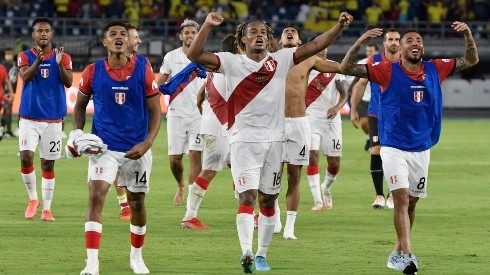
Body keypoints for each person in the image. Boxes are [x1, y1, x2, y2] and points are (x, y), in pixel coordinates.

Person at [187, 11, 353, 273]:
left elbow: (315, 46)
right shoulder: (231, 62)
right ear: (243, 39)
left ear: (269, 39)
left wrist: (338, 27)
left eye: (263, 32)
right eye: (253, 32)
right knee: (247, 196)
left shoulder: (282, 60)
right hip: (243, 142)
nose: (259, 36)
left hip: (275, 142)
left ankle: (262, 255)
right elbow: (194, 55)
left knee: (267, 200)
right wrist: (207, 25)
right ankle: (247, 252)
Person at [340, 23, 478, 274]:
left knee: (412, 203)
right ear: (400, 48)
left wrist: (468, 34)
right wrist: (359, 41)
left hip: (422, 147)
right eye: (410, 41)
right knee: (401, 199)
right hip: (393, 146)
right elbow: (347, 67)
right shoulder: (385, 70)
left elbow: (471, 59)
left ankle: (397, 251)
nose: (415, 44)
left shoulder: (436, 68)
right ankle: (408, 254)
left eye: (419, 41)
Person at [74, 20, 161, 275]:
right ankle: (91, 262)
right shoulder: (92, 71)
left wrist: (147, 143)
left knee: (137, 203)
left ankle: (136, 257)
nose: (119, 37)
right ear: (105, 42)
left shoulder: (143, 68)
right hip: (104, 147)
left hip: (136, 148)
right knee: (95, 195)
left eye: (123, 34)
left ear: (129, 40)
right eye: (113, 34)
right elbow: (79, 105)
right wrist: (79, 133)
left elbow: (156, 111)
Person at [277, 27, 342, 240]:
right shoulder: (269, 60)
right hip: (274, 124)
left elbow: (341, 67)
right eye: (285, 31)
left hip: (299, 123)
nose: (289, 32)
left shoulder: (309, 61)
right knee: (272, 177)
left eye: (293, 32)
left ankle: (289, 228)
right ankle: (275, 219)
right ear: (279, 41)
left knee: (294, 176)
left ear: (299, 41)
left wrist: (350, 36)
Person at [17, 18, 73, 221]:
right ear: (33, 35)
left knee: (48, 164)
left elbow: (68, 83)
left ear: (52, 34)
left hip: (53, 119)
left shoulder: (63, 57)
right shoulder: (24, 55)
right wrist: (38, 62)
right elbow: (24, 77)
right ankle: (33, 199)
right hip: (29, 117)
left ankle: (47, 209)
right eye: (39, 31)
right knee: (25, 157)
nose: (43, 34)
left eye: (46, 31)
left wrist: (58, 65)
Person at [180, 34, 237, 230]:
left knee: (240, 169)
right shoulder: (231, 68)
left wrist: (204, 114)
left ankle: (248, 214)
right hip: (220, 128)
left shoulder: (217, 67)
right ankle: (189, 216)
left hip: (217, 126)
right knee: (209, 172)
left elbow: (200, 95)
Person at [350, 29, 401, 209]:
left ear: (400, 43)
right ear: (385, 43)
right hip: (376, 114)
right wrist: (354, 109)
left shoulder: (407, 61)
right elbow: (361, 84)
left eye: (396, 39)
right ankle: (379, 195)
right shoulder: (374, 61)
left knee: (395, 155)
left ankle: (392, 195)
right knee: (376, 151)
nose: (393, 42)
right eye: (390, 40)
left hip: (399, 117)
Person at [157, 19, 205, 206]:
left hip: (198, 115)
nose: (190, 36)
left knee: (195, 155)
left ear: (198, 35)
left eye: (194, 33)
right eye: (187, 33)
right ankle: (180, 184)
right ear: (180, 36)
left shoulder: (204, 57)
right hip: (176, 114)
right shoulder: (171, 57)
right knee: (175, 160)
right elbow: (160, 83)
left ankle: (191, 203)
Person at [305, 45, 347, 212]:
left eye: (325, 48)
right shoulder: (305, 68)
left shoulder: (334, 66)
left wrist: (337, 108)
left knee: (334, 163)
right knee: (312, 156)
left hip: (331, 120)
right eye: (319, 48)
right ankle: (317, 201)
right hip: (310, 119)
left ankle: (326, 188)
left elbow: (344, 94)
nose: (323, 51)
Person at [112, 23, 144, 221]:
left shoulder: (143, 64)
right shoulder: (109, 65)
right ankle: (123, 205)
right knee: (115, 166)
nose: (138, 41)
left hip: (137, 127)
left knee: (133, 168)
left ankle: (132, 203)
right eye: (135, 37)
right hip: (114, 126)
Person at [346, 43, 379, 151]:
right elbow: (357, 78)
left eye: (371, 51)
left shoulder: (382, 62)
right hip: (364, 97)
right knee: (364, 123)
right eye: (367, 51)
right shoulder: (362, 63)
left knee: (376, 123)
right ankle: (369, 137)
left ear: (376, 52)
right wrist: (350, 88)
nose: (369, 53)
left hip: (377, 98)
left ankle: (374, 141)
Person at [1, 48, 18, 138]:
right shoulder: (3, 65)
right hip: (5, 91)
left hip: (11, 90)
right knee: (8, 110)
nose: (8, 55)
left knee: (5, 111)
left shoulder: (15, 65)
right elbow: (5, 80)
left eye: (10, 53)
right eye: (7, 53)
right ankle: (8, 131)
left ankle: (3, 129)